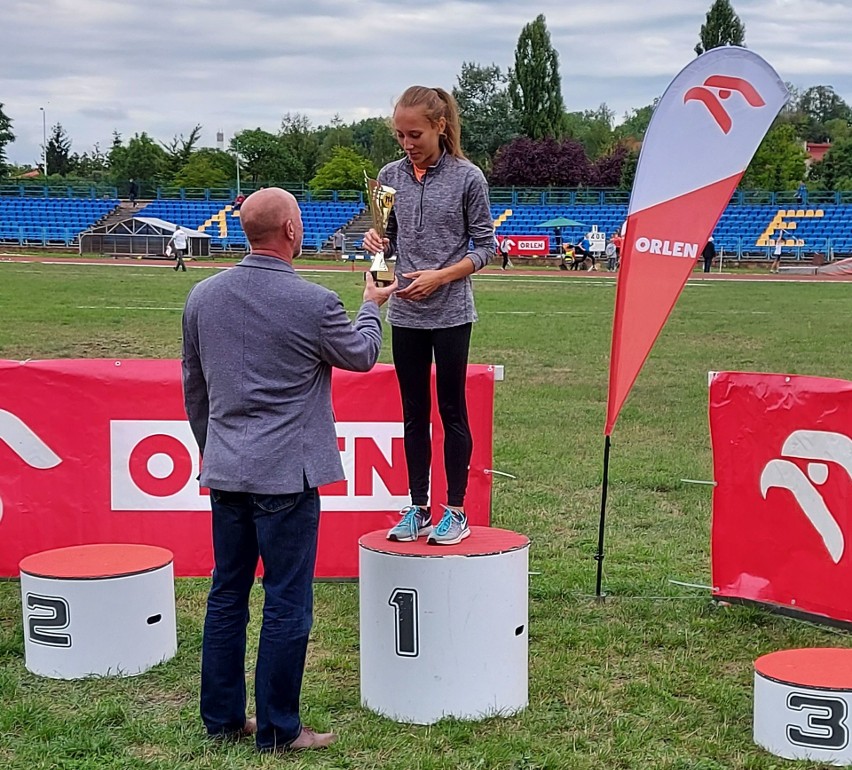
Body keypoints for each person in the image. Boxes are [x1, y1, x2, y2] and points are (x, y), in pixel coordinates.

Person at [182, 187, 396, 753]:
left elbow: (194, 388)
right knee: (285, 601)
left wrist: (216, 450)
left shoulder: (202, 296)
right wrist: (373, 304)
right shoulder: (315, 302)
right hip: (286, 477)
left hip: (226, 471)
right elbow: (362, 356)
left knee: (227, 594)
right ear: (292, 233)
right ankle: (279, 728)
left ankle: (223, 719)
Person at [362, 85, 494, 547]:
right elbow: (387, 238)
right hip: (405, 312)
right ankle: (417, 506)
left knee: (451, 410)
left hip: (452, 311)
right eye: (399, 135)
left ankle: (454, 511)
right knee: (413, 413)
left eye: (414, 133)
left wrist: (441, 277)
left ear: (440, 126)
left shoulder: (468, 178)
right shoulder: (388, 176)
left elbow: (486, 248)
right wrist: (377, 253)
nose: (407, 143)